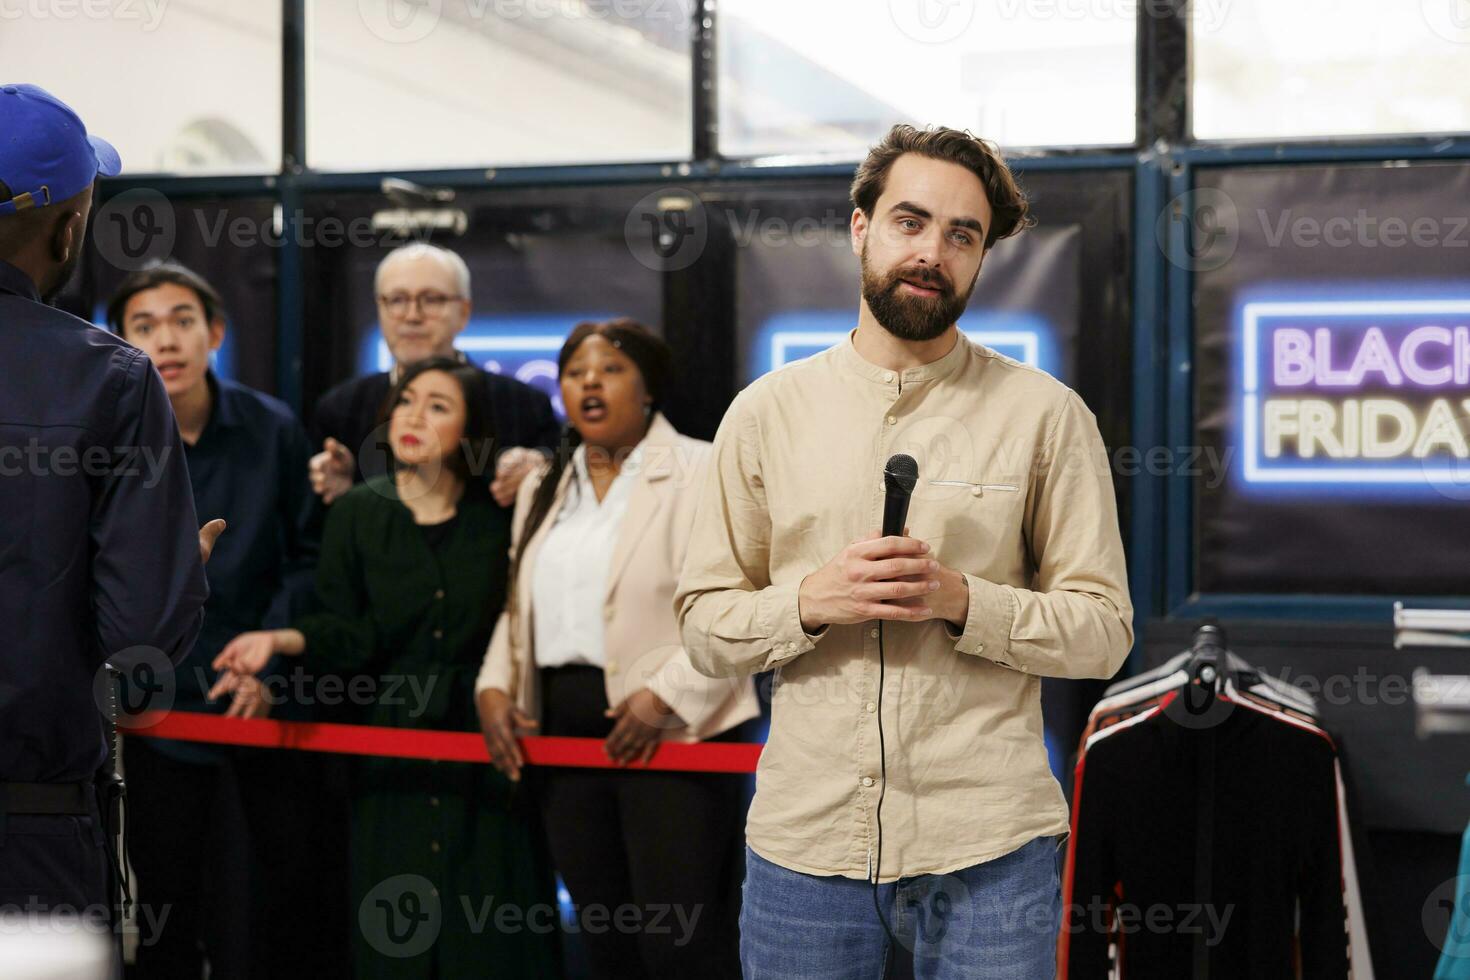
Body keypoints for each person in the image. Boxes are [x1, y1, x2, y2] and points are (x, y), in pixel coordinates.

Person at [675, 124, 1134, 979]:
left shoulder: (1046, 415)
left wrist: (964, 600)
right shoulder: (766, 412)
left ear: (983, 256)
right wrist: (810, 602)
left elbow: (1103, 631)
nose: (932, 252)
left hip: (992, 848)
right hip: (805, 848)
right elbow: (704, 627)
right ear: (861, 227)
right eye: (910, 222)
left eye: (963, 235)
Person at [211, 357, 560, 979]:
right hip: (387, 742)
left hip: (484, 738)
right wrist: (281, 638)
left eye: (437, 405)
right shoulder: (355, 513)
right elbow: (351, 634)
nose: (413, 416)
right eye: (404, 401)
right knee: (394, 934)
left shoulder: (500, 517)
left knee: (491, 933)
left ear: (470, 428)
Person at [0, 83, 221, 940]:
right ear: (68, 227)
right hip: (33, 838)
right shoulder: (113, 380)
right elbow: (136, 655)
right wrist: (174, 583)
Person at [476, 319, 759, 980]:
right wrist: (493, 687)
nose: (589, 384)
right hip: (564, 738)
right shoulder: (544, 486)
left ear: (649, 387)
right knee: (605, 941)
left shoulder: (701, 467)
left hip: (680, 733)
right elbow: (518, 611)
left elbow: (742, 605)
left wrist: (669, 694)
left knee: (679, 944)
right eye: (575, 373)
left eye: (610, 370)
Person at [106, 262, 341, 979]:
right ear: (120, 342)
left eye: (182, 320)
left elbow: (307, 558)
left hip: (264, 705)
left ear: (215, 332)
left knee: (280, 909)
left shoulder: (272, 429)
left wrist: (267, 652)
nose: (166, 340)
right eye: (143, 326)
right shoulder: (108, 438)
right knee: (167, 907)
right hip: (157, 717)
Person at [308, 242, 559, 508]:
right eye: (397, 300)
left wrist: (540, 472)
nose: (412, 316)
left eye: (431, 299)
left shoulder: (523, 406)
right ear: (379, 310)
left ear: (463, 312)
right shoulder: (340, 410)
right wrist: (343, 497)